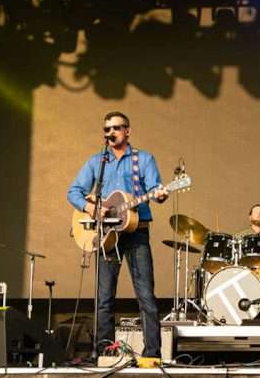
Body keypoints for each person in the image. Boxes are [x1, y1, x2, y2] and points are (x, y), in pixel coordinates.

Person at [67, 111, 168, 359]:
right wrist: (91, 207)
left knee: (145, 296)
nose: (110, 133)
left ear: (127, 131)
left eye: (116, 128)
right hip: (106, 236)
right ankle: (104, 352)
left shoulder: (143, 159)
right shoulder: (97, 161)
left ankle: (152, 354)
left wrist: (160, 193)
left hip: (136, 234)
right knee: (104, 298)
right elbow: (74, 191)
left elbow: (155, 188)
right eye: (106, 130)